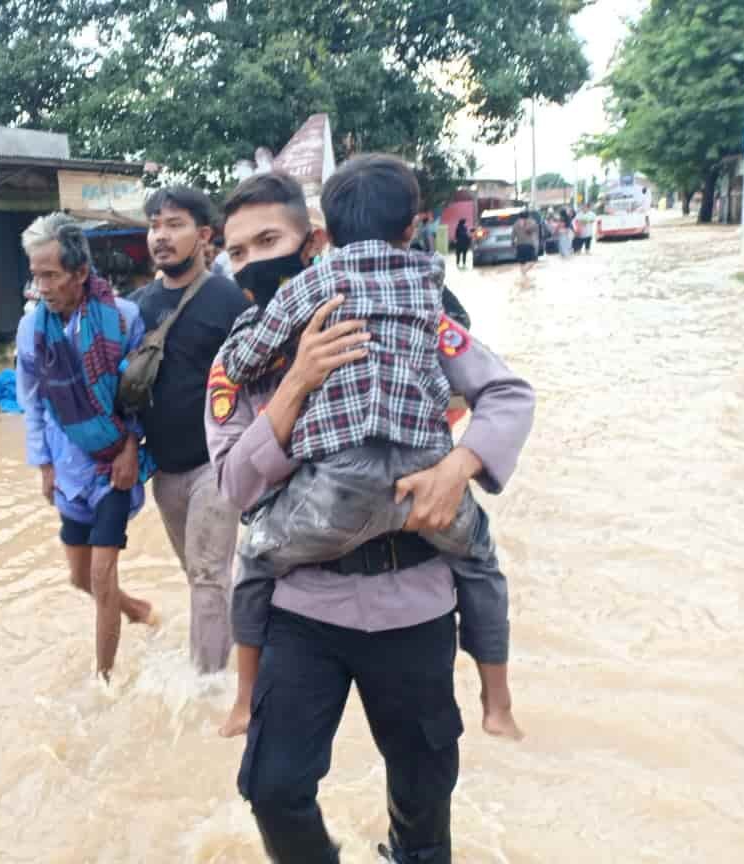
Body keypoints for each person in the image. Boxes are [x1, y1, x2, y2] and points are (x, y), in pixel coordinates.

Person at [209, 170, 536, 864]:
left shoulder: (420, 318)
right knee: (272, 788)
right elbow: (235, 486)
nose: (253, 263)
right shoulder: (239, 361)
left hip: (412, 604)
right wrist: (294, 382)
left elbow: (506, 393)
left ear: (315, 242)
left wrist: (458, 467)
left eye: (269, 240)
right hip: (304, 609)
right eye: (236, 253)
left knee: (423, 804)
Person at [15, 213, 156, 682]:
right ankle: (138, 610)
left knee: (100, 576)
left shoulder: (124, 318)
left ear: (79, 273)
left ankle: (105, 680)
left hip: (113, 464)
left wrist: (131, 449)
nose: (42, 287)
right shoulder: (32, 330)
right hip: (69, 467)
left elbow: (140, 398)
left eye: (51, 275)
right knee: (78, 578)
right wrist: (44, 465)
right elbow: (31, 403)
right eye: (36, 276)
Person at [129, 187, 252, 673]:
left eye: (174, 224)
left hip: (216, 467)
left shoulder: (229, 301)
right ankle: (246, 637)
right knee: (203, 575)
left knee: (206, 574)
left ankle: (208, 689)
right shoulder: (136, 308)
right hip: (165, 472)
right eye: (155, 225)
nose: (161, 235)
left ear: (204, 236)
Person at [512, 210, 538, 279]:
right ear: (528, 216)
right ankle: (524, 273)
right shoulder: (531, 222)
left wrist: (513, 244)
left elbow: (513, 235)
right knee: (533, 261)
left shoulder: (515, 223)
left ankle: (523, 277)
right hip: (528, 245)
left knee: (522, 263)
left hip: (519, 245)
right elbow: (532, 230)